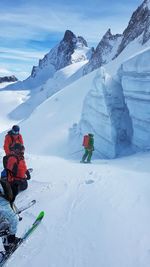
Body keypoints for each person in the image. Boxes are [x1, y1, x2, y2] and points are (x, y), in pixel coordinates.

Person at [0, 181, 21, 256]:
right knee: (5, 225)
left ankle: (8, 243)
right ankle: (9, 245)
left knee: (4, 222)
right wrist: (12, 235)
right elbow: (14, 220)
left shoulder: (2, 186)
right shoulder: (3, 203)